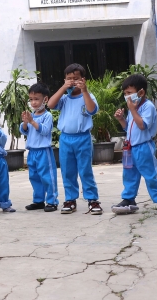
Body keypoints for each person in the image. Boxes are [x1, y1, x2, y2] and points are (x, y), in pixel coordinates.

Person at [47, 64, 103, 215]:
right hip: (65, 139)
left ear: (83, 80)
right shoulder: (64, 98)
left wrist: (84, 90)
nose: (72, 82)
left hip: (82, 138)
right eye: (69, 79)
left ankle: (92, 199)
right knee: (67, 171)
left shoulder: (88, 96)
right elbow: (50, 104)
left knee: (85, 170)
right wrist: (63, 88)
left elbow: (92, 109)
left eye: (75, 79)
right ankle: (70, 199)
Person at [112, 74, 157, 217]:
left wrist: (132, 109)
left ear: (141, 92)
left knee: (151, 175)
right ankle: (128, 199)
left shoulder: (147, 107)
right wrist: (121, 119)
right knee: (129, 175)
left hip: (144, 147)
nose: (126, 97)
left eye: (129, 93)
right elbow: (129, 128)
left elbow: (143, 125)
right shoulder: (134, 108)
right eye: (125, 93)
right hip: (130, 147)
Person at [20, 83, 58, 212]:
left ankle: (52, 201)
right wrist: (25, 122)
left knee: (47, 176)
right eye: (31, 99)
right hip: (32, 151)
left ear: (45, 99)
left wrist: (31, 122)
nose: (33, 102)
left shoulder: (47, 116)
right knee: (34, 177)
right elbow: (24, 131)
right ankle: (38, 201)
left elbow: (45, 131)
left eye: (36, 99)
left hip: (43, 151)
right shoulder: (31, 115)